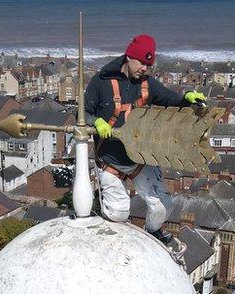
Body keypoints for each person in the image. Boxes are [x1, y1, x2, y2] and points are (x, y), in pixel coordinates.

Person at [84, 34, 205, 243]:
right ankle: (101, 206)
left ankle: (152, 233)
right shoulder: (101, 82)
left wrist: (186, 98)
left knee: (163, 206)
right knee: (119, 213)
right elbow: (82, 113)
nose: (144, 69)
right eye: (141, 62)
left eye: (149, 64)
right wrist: (96, 122)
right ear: (129, 56)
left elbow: (170, 98)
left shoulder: (147, 84)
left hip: (139, 157)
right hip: (110, 160)